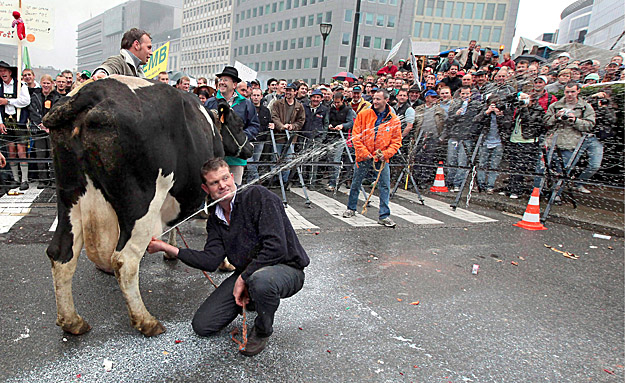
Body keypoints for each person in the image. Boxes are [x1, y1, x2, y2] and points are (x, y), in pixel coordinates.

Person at [147, 158, 308, 357]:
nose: (222, 185)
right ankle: (256, 298)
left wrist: (242, 278)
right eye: (215, 183)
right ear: (206, 189)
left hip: (286, 268)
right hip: (252, 274)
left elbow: (276, 248)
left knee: (261, 281)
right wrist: (166, 247)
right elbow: (210, 260)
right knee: (203, 325)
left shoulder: (258, 196)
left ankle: (263, 329)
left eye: (225, 178)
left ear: (232, 177)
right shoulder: (216, 218)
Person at [343, 89, 402, 227]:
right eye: (374, 99)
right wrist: (365, 153)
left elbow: (396, 141)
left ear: (386, 100)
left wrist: (385, 155)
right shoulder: (363, 115)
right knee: (356, 183)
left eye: (378, 99)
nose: (375, 101)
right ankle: (351, 208)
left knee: (384, 186)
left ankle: (384, 215)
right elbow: (356, 136)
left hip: (381, 159)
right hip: (364, 157)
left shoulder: (394, 120)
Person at [206, 66, 260, 186]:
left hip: (236, 158)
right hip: (213, 158)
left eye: (225, 80)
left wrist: (240, 137)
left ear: (234, 84)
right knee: (214, 192)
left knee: (233, 192)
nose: (222, 82)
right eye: (221, 79)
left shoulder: (246, 104)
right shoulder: (210, 102)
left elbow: (254, 126)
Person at [544, 82, 596, 193]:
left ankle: (556, 194)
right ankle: (543, 191)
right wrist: (556, 116)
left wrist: (575, 120)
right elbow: (546, 122)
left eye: (572, 91)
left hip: (571, 143)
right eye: (567, 92)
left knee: (563, 171)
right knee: (545, 168)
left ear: (578, 91)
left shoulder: (585, 107)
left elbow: (590, 125)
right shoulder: (556, 105)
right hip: (553, 142)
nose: (570, 94)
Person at [442, 86, 481, 191]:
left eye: (467, 94)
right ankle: (449, 182)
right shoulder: (455, 105)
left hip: (466, 137)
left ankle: (457, 184)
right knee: (451, 160)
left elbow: (476, 120)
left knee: (462, 162)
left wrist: (471, 132)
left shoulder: (475, 106)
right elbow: (448, 120)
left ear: (470, 94)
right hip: (454, 136)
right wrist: (456, 115)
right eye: (463, 94)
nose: (465, 96)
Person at [0, 61, 31, 190]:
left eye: (4, 71)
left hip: (19, 122)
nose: (2, 73)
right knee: (11, 151)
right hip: (6, 122)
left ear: (10, 72)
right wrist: (0, 122)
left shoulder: (20, 85)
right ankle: (15, 179)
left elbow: (25, 101)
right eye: (0, 71)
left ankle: (25, 179)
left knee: (21, 151)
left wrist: (8, 101)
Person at [28, 74, 61, 188]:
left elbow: (57, 112)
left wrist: (50, 125)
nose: (46, 85)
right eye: (44, 83)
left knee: (53, 156)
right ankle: (43, 179)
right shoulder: (35, 96)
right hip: (39, 130)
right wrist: (41, 125)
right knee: (40, 155)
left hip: (52, 130)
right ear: (41, 83)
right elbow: (32, 111)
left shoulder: (57, 97)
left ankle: (53, 179)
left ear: (52, 84)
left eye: (48, 83)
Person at [270, 82, 306, 184]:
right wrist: (282, 126)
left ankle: (284, 181)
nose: (288, 92)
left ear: (295, 92)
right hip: (279, 136)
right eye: (287, 90)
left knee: (288, 161)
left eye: (290, 90)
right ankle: (274, 179)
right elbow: (274, 117)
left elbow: (301, 121)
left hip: (291, 138)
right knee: (275, 158)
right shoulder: (277, 103)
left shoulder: (299, 106)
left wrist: (292, 126)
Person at [475, 95, 510, 194]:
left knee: (494, 165)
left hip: (498, 142)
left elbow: (508, 125)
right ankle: (480, 185)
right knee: (482, 164)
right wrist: (487, 112)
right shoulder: (485, 111)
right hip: (485, 141)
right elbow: (476, 120)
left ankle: (490, 185)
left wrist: (500, 116)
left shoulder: (504, 112)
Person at [324, 91, 357, 192]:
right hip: (331, 136)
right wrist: (329, 124)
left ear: (343, 101)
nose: (336, 104)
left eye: (338, 102)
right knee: (330, 158)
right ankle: (331, 179)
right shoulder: (331, 109)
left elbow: (350, 122)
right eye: (335, 102)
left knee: (336, 159)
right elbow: (327, 120)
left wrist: (342, 126)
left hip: (341, 137)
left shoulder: (348, 110)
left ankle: (333, 182)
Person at [413, 90, 446, 184]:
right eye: (432, 97)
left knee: (429, 158)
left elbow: (445, 124)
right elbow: (414, 123)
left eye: (435, 97)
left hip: (433, 137)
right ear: (426, 98)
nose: (435, 99)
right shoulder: (419, 109)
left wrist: (441, 137)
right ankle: (416, 178)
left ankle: (424, 179)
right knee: (418, 157)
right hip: (420, 137)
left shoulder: (440, 110)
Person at [246, 87, 273, 183]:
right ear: (251, 96)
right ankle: (257, 180)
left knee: (255, 162)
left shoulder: (266, 110)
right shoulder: (247, 108)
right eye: (254, 95)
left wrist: (271, 125)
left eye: (258, 95)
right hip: (249, 140)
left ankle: (250, 182)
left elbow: (269, 123)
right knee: (250, 162)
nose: (256, 97)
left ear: (261, 97)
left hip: (260, 140)